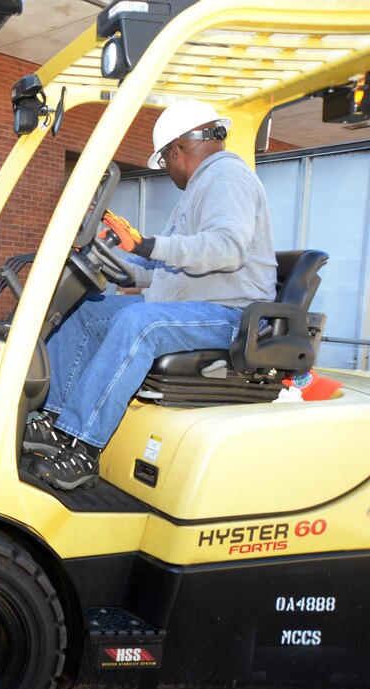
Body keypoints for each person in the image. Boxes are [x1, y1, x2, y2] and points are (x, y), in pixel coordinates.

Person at [22, 99, 277, 491]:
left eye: (164, 163)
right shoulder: (199, 189)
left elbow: (226, 249)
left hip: (231, 313)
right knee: (86, 310)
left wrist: (146, 244)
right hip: (185, 306)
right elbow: (162, 269)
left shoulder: (226, 177)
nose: (168, 172)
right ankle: (55, 421)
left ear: (176, 150)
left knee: (138, 322)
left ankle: (81, 446)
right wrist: (108, 257)